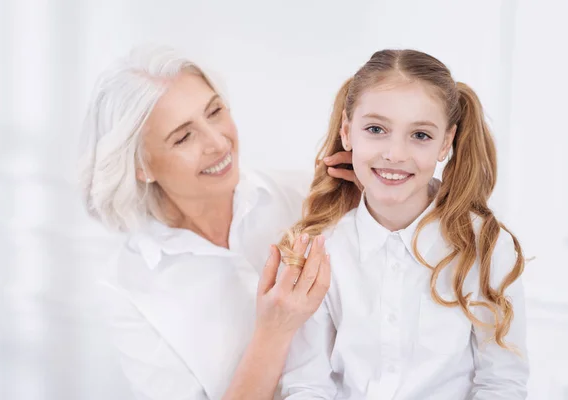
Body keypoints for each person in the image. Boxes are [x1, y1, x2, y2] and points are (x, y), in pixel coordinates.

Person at [78, 45, 358, 400]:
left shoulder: (304, 195)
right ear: (141, 166)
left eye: (214, 112)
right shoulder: (128, 288)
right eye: (183, 137)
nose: (217, 142)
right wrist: (273, 331)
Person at [278, 49, 529, 399]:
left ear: (446, 142)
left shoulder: (485, 247)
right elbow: (306, 384)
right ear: (347, 133)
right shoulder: (322, 247)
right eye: (376, 129)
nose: (395, 153)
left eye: (420, 135)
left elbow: (501, 384)